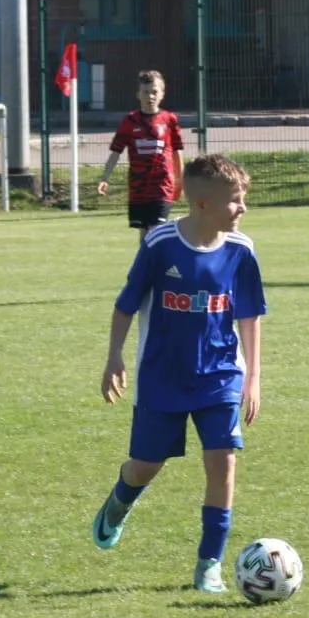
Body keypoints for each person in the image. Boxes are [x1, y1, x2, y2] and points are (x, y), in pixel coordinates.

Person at [92, 154, 264, 593]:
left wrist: (253, 377)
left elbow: (249, 315)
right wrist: (114, 357)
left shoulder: (241, 249)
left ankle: (209, 563)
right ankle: (120, 499)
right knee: (146, 466)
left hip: (220, 374)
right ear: (202, 204)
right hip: (162, 376)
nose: (243, 208)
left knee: (222, 462)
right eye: (236, 200)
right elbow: (126, 305)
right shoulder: (160, 244)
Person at [96, 70, 185, 236]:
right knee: (144, 235)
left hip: (162, 186)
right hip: (138, 187)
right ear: (138, 94)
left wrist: (180, 180)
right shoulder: (130, 121)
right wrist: (105, 178)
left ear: (162, 94)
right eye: (145, 92)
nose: (150, 96)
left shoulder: (169, 120)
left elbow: (176, 151)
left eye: (154, 92)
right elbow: (116, 152)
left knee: (156, 231)